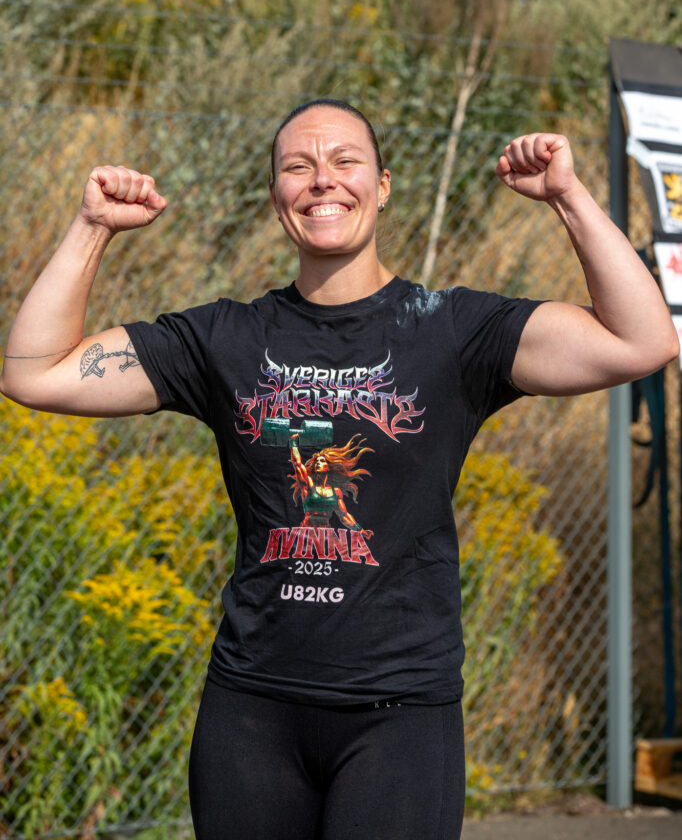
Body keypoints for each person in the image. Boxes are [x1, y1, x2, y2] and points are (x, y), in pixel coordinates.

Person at [1, 98, 678, 840]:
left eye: (345, 161)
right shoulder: (224, 338)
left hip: (400, 718)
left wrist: (568, 197)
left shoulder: (452, 330)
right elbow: (35, 372)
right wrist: (92, 226)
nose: (322, 180)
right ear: (276, 196)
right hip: (251, 710)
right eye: (298, 167)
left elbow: (642, 341)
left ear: (382, 186)